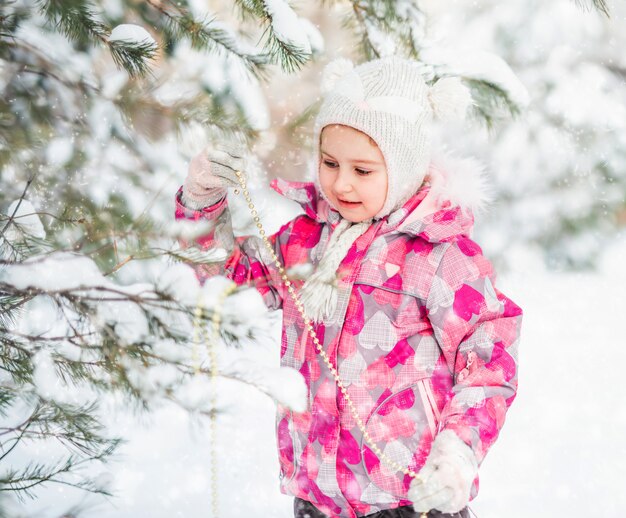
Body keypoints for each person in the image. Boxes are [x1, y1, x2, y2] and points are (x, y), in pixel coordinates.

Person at [174, 56, 523, 518]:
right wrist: (201, 204)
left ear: (402, 168)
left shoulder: (439, 257)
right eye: (330, 162)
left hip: (410, 498)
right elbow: (226, 283)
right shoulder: (304, 242)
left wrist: (456, 455)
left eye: (362, 170)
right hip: (319, 497)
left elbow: (489, 364)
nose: (341, 182)